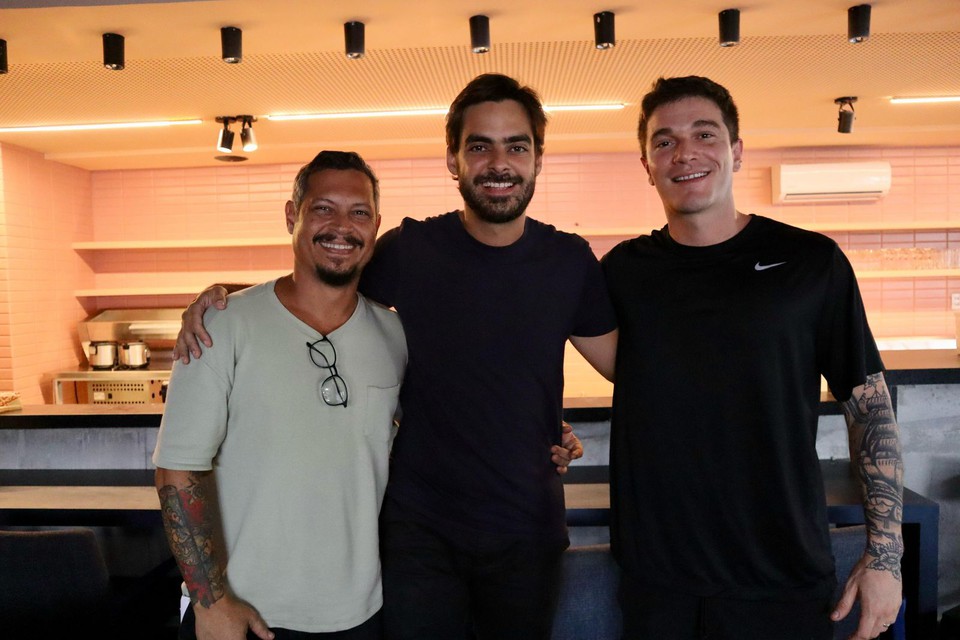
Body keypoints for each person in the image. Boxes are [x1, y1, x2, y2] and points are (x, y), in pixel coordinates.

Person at [172, 73, 618, 640]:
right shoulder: (410, 251)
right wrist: (216, 299)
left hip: (525, 533)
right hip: (417, 537)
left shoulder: (569, 262)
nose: (498, 163)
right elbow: (323, 282)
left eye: (517, 145)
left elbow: (624, 366)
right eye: (479, 146)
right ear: (454, 160)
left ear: (538, 158)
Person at [601, 75, 904, 640]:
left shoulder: (810, 261)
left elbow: (870, 409)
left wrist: (885, 558)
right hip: (658, 582)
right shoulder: (623, 271)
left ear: (736, 151)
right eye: (663, 141)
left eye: (704, 134)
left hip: (779, 574)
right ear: (646, 163)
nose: (684, 152)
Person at [153, 150, 407, 640]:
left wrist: (544, 428)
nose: (341, 226)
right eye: (322, 209)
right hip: (243, 615)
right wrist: (212, 600)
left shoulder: (394, 334)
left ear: (375, 226)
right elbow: (178, 469)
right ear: (292, 216)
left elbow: (445, 419)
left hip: (361, 614)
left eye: (358, 213)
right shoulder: (222, 325)